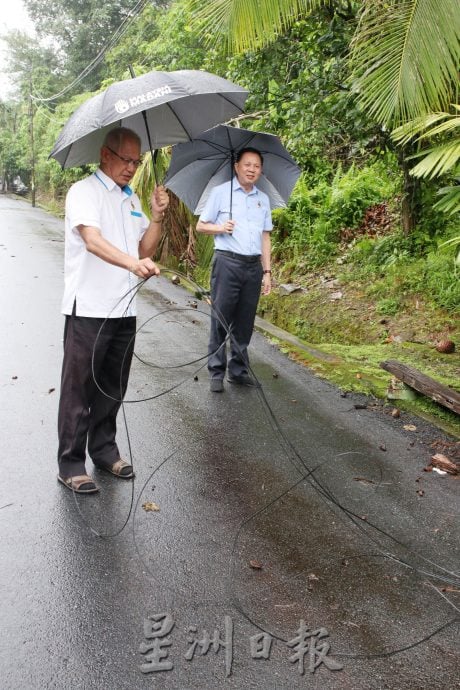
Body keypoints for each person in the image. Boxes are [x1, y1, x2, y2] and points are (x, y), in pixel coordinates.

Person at [57, 127, 169, 493]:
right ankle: (71, 463)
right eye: (126, 160)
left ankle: (104, 451)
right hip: (88, 307)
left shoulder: (130, 197)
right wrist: (132, 265)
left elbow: (142, 249)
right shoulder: (83, 192)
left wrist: (156, 217)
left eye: (136, 162)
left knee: (112, 387)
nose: (132, 168)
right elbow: (93, 241)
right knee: (80, 388)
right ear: (105, 154)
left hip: (124, 308)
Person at [196, 147, 273, 393]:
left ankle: (238, 371)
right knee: (221, 317)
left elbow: (265, 237)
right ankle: (216, 372)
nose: (252, 169)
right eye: (247, 164)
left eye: (257, 166)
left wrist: (267, 271)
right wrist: (220, 228)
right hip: (227, 262)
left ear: (261, 170)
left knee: (245, 321)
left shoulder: (263, 199)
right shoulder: (221, 193)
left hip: (253, 267)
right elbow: (201, 225)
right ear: (236, 166)